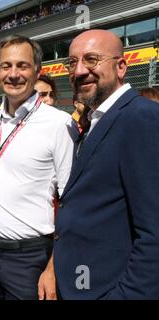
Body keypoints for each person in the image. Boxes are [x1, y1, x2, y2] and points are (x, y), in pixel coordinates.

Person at [0, 35, 75, 300]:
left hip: (27, 258)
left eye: (22, 66)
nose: (13, 74)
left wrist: (53, 266)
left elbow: (71, 201)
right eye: (6, 66)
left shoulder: (58, 124)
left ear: (37, 71)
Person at [54, 29, 159, 299]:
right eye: (72, 62)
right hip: (81, 280)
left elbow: (154, 233)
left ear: (121, 67)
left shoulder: (142, 118)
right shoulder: (96, 118)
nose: (78, 71)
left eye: (91, 59)